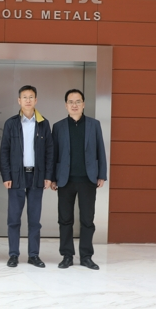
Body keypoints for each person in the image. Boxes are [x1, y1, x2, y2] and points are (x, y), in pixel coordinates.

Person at [51, 89, 107, 270]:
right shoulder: (58, 127)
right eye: (70, 101)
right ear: (66, 105)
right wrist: (52, 178)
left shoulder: (94, 125)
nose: (74, 105)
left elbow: (100, 150)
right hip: (65, 180)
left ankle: (86, 256)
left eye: (77, 101)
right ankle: (67, 256)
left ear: (83, 104)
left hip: (87, 180)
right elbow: (53, 154)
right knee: (65, 220)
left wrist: (102, 174)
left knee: (87, 220)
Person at [0, 85, 54, 268]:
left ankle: (33, 255)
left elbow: (49, 152)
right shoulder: (11, 123)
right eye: (25, 97)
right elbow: (4, 151)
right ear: (19, 101)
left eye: (31, 97)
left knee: (34, 220)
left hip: (37, 176)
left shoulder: (43, 123)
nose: (28, 100)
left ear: (36, 100)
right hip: (16, 176)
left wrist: (48, 175)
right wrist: (6, 175)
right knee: (14, 219)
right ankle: (13, 254)